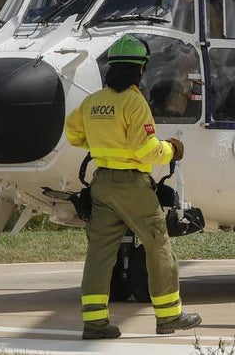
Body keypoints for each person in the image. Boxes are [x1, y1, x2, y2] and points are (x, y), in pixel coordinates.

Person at [63, 34, 201, 340]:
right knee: (158, 243)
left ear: (111, 67)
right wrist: (171, 149)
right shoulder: (134, 102)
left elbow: (73, 134)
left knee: (99, 253)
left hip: (102, 183)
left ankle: (95, 323)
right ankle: (169, 315)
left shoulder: (93, 101)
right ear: (140, 68)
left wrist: (102, 144)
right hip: (132, 185)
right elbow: (146, 150)